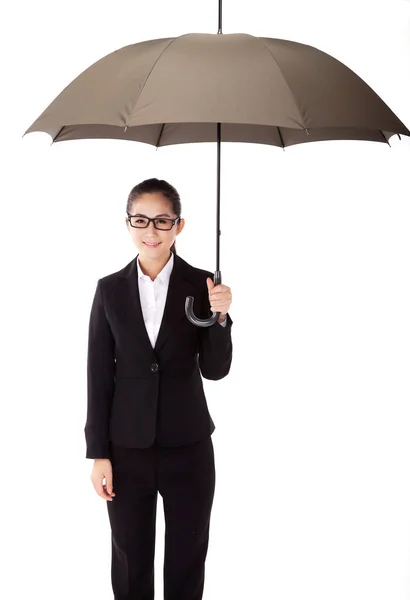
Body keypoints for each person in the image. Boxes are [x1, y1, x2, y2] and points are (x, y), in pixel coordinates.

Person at [84, 177, 233, 600]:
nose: (151, 230)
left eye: (163, 221)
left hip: (188, 446)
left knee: (187, 558)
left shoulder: (204, 286)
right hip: (126, 448)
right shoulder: (109, 290)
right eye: (141, 219)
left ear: (179, 226)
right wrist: (99, 453)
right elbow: (98, 375)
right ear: (127, 223)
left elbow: (216, 370)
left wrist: (220, 318)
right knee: (130, 559)